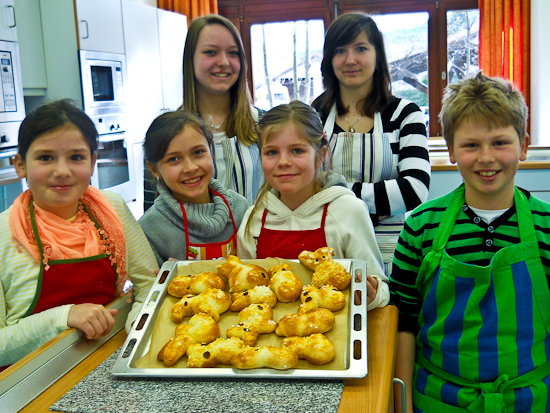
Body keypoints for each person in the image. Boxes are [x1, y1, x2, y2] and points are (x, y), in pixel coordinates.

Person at [390, 72, 550, 412]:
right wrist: (401, 405)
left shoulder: (546, 226)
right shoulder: (421, 226)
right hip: (438, 399)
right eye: (471, 145)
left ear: (523, 145)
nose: (486, 157)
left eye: (500, 143)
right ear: (450, 150)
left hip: (529, 399)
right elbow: (402, 320)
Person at [0, 100, 158, 367]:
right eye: (45, 157)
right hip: (28, 382)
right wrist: (65, 316)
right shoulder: (4, 234)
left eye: (76, 157)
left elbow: (150, 286)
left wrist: (134, 335)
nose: (62, 171)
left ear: (93, 162)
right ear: (20, 165)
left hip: (110, 357)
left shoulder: (113, 209)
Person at [237, 101, 389, 310]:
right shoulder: (253, 217)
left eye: (297, 150)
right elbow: (244, 287)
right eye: (271, 152)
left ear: (320, 156)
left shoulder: (348, 211)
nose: (283, 162)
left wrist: (370, 296)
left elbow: (381, 290)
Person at [311, 12, 431, 273]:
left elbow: (414, 190)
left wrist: (335, 192)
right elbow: (304, 186)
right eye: (340, 50)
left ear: (378, 57)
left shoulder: (404, 114)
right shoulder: (314, 114)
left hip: (390, 248)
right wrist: (378, 196)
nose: (350, 59)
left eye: (361, 48)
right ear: (329, 59)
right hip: (327, 246)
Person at [143, 14, 264, 211]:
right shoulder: (164, 133)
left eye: (233, 53)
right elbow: (152, 210)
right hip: (189, 242)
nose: (224, 61)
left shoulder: (266, 124)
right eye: (210, 52)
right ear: (190, 60)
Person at [139, 111, 249, 266]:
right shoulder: (149, 229)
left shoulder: (240, 208)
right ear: (155, 169)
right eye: (174, 159)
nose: (190, 168)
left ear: (211, 152)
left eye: (198, 152)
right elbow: (149, 287)